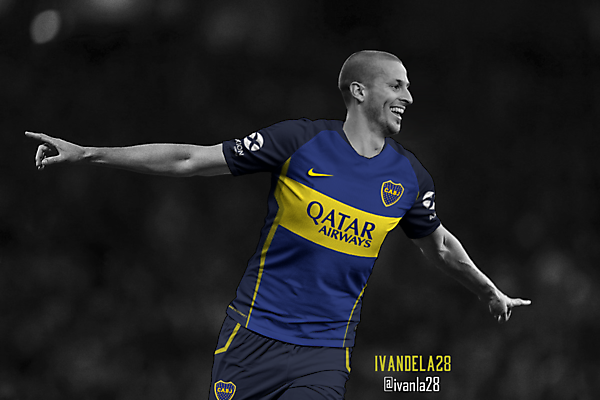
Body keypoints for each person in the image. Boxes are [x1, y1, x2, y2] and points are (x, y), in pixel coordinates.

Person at [27, 50, 531, 400]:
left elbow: (438, 245)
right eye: (397, 85)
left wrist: (487, 290)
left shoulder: (409, 176)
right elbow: (189, 159)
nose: (409, 97)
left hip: (324, 352)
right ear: (359, 90)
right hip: (251, 338)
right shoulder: (299, 142)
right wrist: (90, 153)